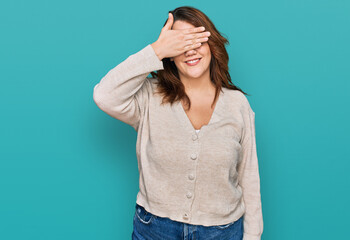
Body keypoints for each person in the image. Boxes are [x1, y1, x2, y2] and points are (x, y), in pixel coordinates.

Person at [93, 6, 263, 240]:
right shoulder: (148, 98)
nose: (190, 50)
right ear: (170, 55)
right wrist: (156, 50)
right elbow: (104, 95)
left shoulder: (237, 104)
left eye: (197, 40)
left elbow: (249, 178)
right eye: (181, 43)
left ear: (211, 45)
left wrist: (253, 236)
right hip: (154, 230)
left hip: (222, 232)